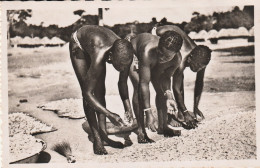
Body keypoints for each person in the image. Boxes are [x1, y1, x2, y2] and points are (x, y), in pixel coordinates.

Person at [69, 25, 134, 155]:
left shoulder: (126, 54)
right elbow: (87, 94)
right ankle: (97, 139)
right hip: (79, 44)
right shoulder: (100, 54)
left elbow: (122, 83)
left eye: (124, 66)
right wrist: (110, 114)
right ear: (110, 56)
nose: (122, 69)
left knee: (101, 91)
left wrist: (128, 108)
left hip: (98, 42)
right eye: (119, 65)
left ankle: (104, 136)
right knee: (89, 91)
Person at [128, 31, 183, 143]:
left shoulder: (177, 59)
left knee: (161, 91)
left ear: (176, 53)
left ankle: (163, 127)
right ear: (158, 46)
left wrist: (169, 95)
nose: (161, 57)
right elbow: (144, 83)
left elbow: (166, 77)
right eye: (160, 51)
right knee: (138, 87)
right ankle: (141, 130)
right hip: (135, 52)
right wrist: (148, 112)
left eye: (166, 56)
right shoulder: (148, 51)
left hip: (151, 59)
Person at [156, 25, 212, 127]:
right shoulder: (181, 60)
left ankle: (181, 112)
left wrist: (196, 107)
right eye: (197, 66)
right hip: (159, 32)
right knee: (162, 78)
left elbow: (199, 83)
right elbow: (176, 88)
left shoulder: (202, 57)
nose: (198, 70)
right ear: (190, 59)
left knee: (179, 78)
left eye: (200, 68)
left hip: (175, 32)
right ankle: (169, 117)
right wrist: (185, 112)